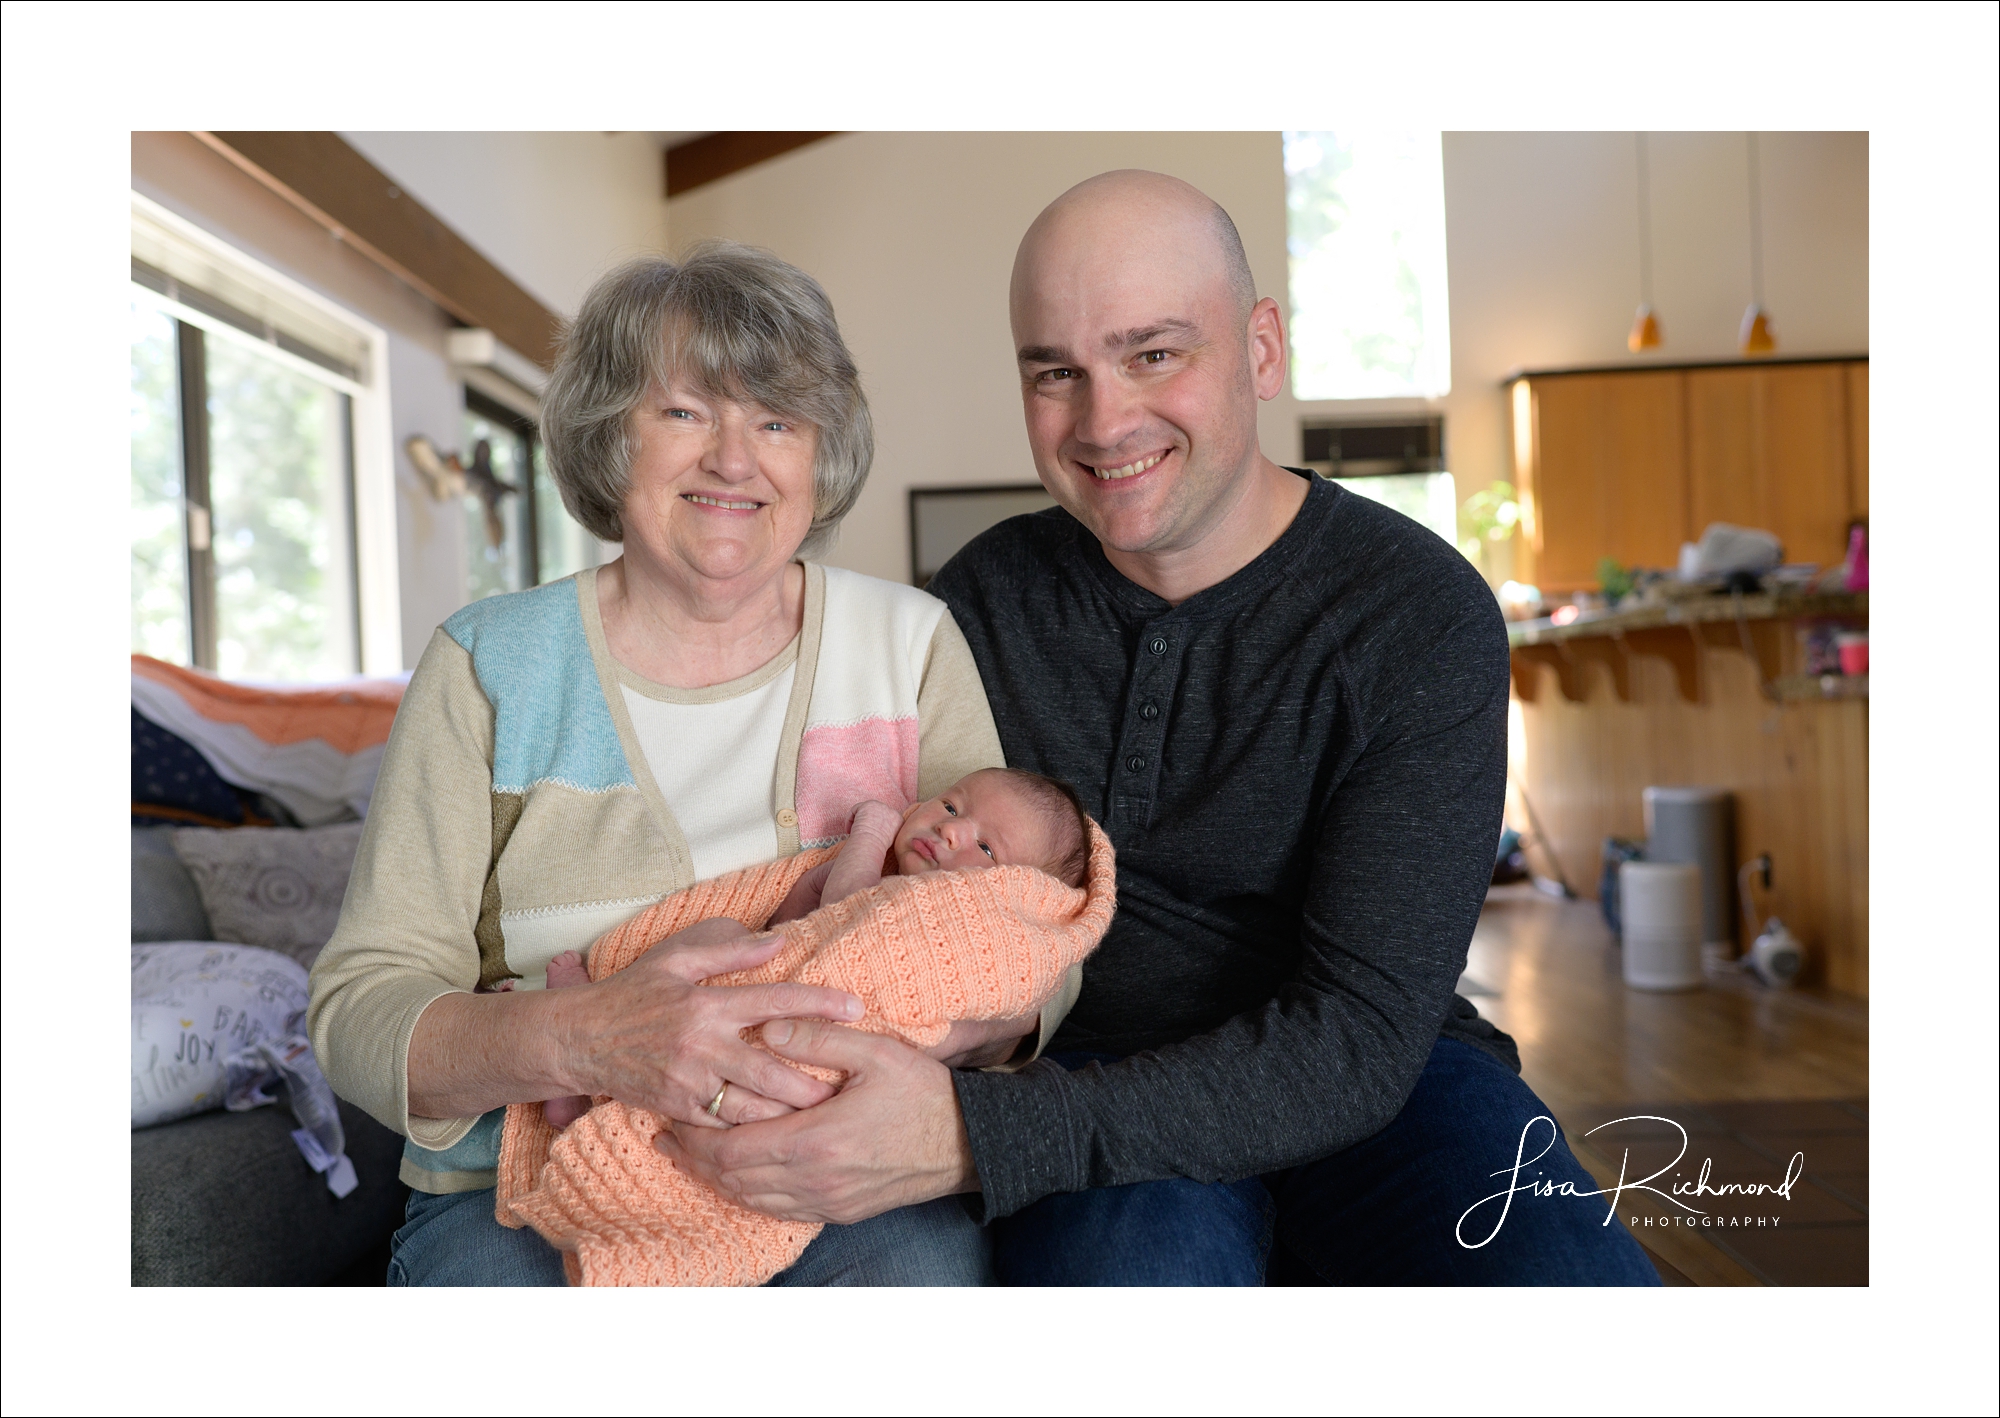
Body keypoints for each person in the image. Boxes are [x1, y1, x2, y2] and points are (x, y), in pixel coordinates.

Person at [657, 172, 1661, 1285]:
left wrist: (964, 1133)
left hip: (1381, 1076)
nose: (1103, 421)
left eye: (1152, 354)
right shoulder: (985, 594)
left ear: (1261, 348)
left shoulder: (1414, 613)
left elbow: (1359, 1035)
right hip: (1078, 1068)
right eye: (1056, 372)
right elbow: (900, 875)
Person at [308, 242, 1064, 1287]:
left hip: (826, 1178)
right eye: (683, 411)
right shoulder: (487, 663)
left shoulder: (908, 643)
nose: (732, 458)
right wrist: (586, 1038)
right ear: (607, 435)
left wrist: (899, 1047)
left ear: (819, 453)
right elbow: (358, 1010)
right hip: (522, 1195)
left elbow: (1030, 928)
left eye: (775, 419)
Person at [536, 769, 1092, 1129]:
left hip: (815, 1053)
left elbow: (849, 910)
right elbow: (795, 928)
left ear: (1014, 897)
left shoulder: (958, 935)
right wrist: (807, 897)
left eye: (987, 847)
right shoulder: (903, 885)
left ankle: (592, 1098)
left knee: (718, 971)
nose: (953, 831)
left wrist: (869, 836)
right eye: (951, 806)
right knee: (720, 949)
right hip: (771, 999)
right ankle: (598, 1036)